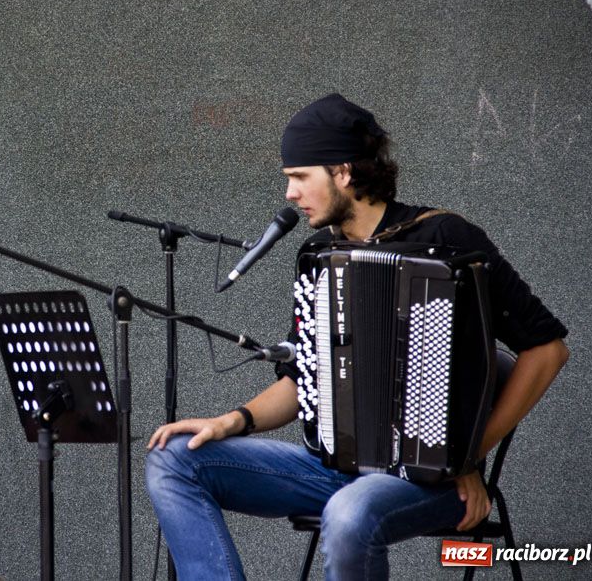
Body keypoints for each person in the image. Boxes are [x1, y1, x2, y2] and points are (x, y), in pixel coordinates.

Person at [145, 94, 569, 580]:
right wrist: (230, 422)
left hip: (428, 480)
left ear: (343, 172)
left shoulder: (448, 238)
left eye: (300, 177)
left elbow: (547, 349)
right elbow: (301, 379)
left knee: (348, 513)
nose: (289, 193)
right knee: (175, 458)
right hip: (333, 470)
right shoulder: (320, 254)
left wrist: (468, 457)